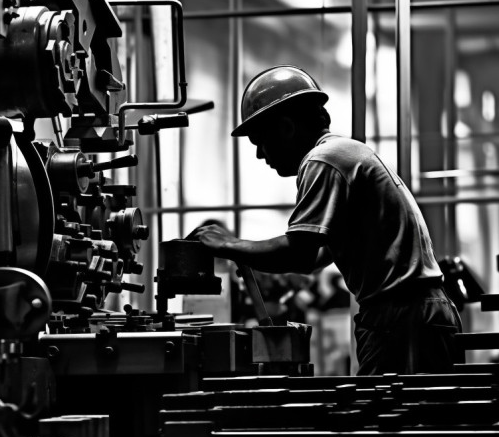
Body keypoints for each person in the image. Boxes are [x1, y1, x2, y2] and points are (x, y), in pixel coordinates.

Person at [188, 65, 462, 376]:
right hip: (416, 313)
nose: (260, 156)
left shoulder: (323, 160)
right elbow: (316, 257)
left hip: (402, 318)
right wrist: (256, 261)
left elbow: (299, 252)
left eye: (260, 142)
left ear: (287, 127)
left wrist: (227, 244)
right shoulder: (345, 153)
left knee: (389, 419)